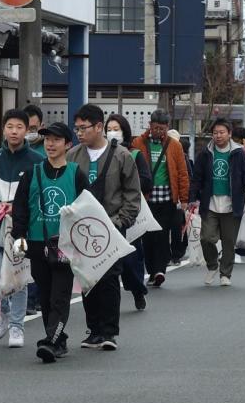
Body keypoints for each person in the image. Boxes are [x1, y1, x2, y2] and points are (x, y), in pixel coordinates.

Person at [11, 122, 88, 362]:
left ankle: (51, 342)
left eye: (56, 140)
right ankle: (58, 339)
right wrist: (19, 239)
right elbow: (20, 207)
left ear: (68, 144)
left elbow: (89, 210)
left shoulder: (76, 174)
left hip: (66, 246)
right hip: (36, 243)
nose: (50, 144)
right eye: (47, 140)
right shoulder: (33, 173)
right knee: (45, 296)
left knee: (59, 296)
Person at [67, 104, 140, 351]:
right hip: (82, 228)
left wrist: (122, 221)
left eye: (83, 128)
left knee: (109, 278)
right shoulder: (73, 156)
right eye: (76, 128)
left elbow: (132, 194)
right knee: (88, 278)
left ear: (99, 127)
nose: (79, 133)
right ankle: (94, 329)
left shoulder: (122, 156)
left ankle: (109, 331)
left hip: (112, 226)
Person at [0, 109, 44, 348]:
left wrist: (16, 208)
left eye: (19, 127)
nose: (14, 131)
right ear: (3, 129)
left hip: (22, 230)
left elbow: (39, 194)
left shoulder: (37, 161)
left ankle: (17, 326)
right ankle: (3, 313)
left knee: (18, 277)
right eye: (10, 127)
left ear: (27, 130)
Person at [188, 118, 245, 287]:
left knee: (228, 242)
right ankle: (212, 265)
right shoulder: (205, 153)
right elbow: (197, 178)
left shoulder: (239, 153)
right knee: (207, 238)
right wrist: (192, 198)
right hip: (210, 203)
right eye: (215, 133)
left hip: (232, 204)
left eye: (222, 132)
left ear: (229, 134)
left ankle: (226, 274)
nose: (218, 136)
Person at [131, 109, 189, 288]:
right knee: (147, 237)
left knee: (163, 236)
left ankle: (160, 270)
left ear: (167, 128)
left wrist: (184, 198)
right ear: (150, 125)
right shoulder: (138, 143)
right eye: (156, 128)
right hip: (146, 199)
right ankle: (151, 270)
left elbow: (182, 173)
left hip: (167, 198)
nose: (159, 132)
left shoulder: (175, 145)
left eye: (162, 129)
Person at [106, 113, 151, 311]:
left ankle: (137, 290)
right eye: (109, 129)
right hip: (105, 215)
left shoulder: (134, 154)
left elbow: (147, 181)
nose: (111, 132)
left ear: (125, 131)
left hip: (127, 214)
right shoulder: (100, 154)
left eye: (116, 129)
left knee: (131, 260)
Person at [22, 104, 47, 314]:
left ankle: (36, 297)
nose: (30, 132)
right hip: (22, 212)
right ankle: (28, 300)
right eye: (26, 127)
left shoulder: (47, 149)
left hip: (43, 210)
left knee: (40, 255)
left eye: (34, 128)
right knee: (24, 256)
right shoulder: (14, 151)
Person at [167, 131, 194, 264]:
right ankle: (166, 255)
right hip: (162, 197)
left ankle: (176, 254)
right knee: (163, 228)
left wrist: (185, 198)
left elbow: (187, 177)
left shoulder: (182, 157)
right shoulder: (159, 154)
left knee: (176, 227)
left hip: (177, 199)